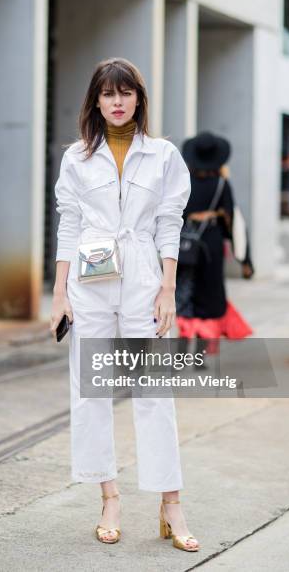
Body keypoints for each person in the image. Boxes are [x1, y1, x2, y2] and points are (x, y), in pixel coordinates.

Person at [51, 57, 200, 552]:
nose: (117, 103)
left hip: (142, 277)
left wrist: (167, 288)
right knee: (91, 392)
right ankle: (109, 497)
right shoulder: (76, 157)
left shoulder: (162, 155)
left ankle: (170, 503)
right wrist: (58, 294)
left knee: (154, 391)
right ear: (95, 100)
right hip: (90, 281)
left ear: (139, 98)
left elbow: (169, 222)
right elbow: (69, 225)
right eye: (107, 94)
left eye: (126, 93)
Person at [175, 132, 253, 343]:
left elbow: (172, 214)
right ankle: (203, 352)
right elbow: (232, 221)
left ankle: (182, 351)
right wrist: (245, 260)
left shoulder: (182, 182)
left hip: (184, 246)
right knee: (209, 297)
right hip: (212, 245)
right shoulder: (221, 184)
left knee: (184, 296)